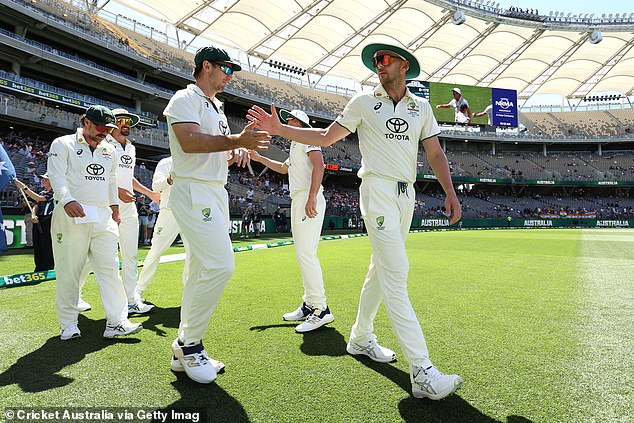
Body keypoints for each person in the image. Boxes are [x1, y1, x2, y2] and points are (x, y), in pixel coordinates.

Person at [247, 42, 463, 400]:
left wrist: (450, 192)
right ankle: (422, 371)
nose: (379, 64)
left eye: (386, 59)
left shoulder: (421, 107)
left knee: (380, 270)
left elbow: (436, 153)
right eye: (376, 60)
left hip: (406, 194)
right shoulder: (364, 102)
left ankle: (361, 338)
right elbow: (324, 137)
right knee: (396, 273)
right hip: (376, 191)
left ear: (404, 66)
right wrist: (279, 129)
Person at [163, 46, 270, 384]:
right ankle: (189, 344)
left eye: (232, 70)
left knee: (198, 268)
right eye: (225, 68)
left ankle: (185, 348)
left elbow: (213, 147)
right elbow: (190, 143)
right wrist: (236, 139)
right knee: (220, 264)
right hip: (195, 190)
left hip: (212, 190)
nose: (230, 76)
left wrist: (234, 148)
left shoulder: (217, 107)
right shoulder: (186, 97)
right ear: (205, 66)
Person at [47, 105, 142, 340]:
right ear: (86, 122)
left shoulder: (109, 149)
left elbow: (111, 182)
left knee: (110, 270)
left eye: (109, 128)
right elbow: (56, 175)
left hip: (102, 217)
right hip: (72, 215)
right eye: (101, 127)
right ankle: (68, 324)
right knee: (69, 271)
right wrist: (67, 200)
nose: (105, 132)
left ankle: (117, 322)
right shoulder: (63, 144)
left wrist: (115, 210)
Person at [250, 109, 333, 332]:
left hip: (307, 196)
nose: (287, 122)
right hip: (299, 198)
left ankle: (321, 308)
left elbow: (319, 166)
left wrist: (312, 196)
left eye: (292, 120)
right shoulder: (296, 143)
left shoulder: (308, 139)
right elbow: (283, 168)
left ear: (302, 124)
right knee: (303, 253)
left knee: (306, 254)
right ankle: (310, 304)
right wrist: (260, 159)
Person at [77, 109, 159, 315]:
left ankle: (131, 300)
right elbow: (93, 175)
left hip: (128, 207)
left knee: (130, 254)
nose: (126, 124)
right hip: (105, 205)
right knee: (93, 256)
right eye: (121, 121)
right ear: (112, 124)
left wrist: (150, 193)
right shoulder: (101, 144)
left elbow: (127, 177)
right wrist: (116, 192)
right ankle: (74, 295)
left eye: (129, 122)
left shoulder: (130, 147)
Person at [134, 156, 180, 301]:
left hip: (192, 212)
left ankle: (191, 295)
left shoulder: (197, 161)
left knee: (194, 254)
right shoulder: (167, 162)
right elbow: (156, 187)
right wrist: (169, 179)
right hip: (170, 210)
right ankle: (138, 290)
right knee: (155, 251)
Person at [14, 174, 55, 271]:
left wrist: (24, 188)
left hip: (49, 219)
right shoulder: (42, 192)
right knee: (37, 244)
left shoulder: (55, 192)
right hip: (38, 219)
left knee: (47, 244)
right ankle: (39, 266)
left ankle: (48, 267)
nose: (43, 181)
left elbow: (39, 199)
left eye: (46, 179)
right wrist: (33, 214)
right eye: (43, 179)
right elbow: (36, 205)